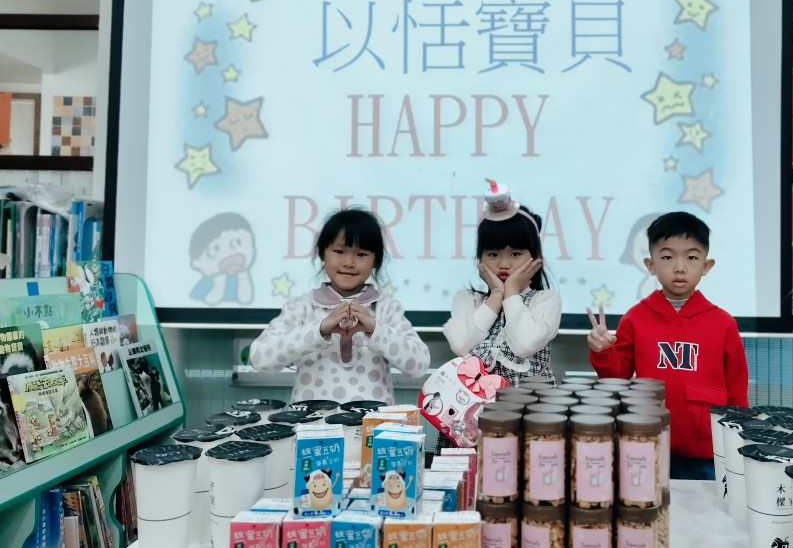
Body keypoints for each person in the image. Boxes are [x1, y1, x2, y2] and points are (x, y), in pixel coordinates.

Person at [587, 211, 748, 480]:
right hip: (647, 444)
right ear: (651, 265)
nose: (680, 267)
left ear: (706, 266)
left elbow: (737, 392)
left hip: (707, 454)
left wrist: (737, 444)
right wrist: (603, 351)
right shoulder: (635, 318)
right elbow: (617, 377)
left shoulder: (724, 324)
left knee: (704, 507)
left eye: (691, 257)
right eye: (667, 257)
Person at [249, 208, 430, 404]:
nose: (349, 262)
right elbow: (259, 359)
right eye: (339, 251)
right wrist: (319, 330)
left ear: (376, 260)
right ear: (322, 253)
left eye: (361, 254)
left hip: (372, 423)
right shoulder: (302, 307)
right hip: (311, 422)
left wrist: (375, 329)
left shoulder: (386, 309)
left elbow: (419, 366)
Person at [443, 180, 561, 385]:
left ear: (535, 256)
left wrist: (512, 292)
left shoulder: (546, 300)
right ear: (480, 258)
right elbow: (461, 345)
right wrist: (497, 295)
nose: (504, 264)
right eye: (493, 254)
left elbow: (525, 345)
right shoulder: (468, 300)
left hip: (532, 404)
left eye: (515, 254)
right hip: (478, 405)